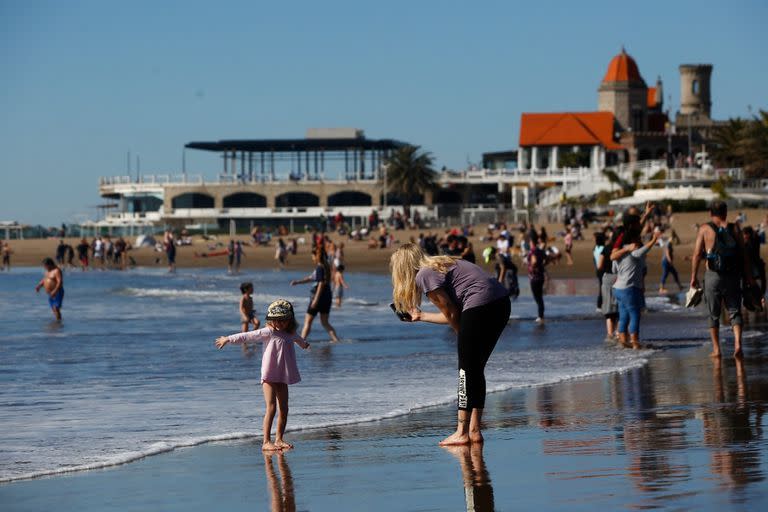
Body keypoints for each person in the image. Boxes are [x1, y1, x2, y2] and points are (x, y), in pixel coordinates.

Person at [390, 243, 510, 446]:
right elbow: (454, 313)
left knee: (465, 369)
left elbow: (453, 314)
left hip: (481, 303)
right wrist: (421, 316)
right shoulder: (442, 264)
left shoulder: (424, 275)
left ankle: (462, 431)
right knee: (475, 368)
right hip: (500, 302)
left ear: (402, 267)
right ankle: (474, 430)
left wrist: (462, 338)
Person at [215, 299, 310, 451]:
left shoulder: (290, 333)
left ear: (289, 320)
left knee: (284, 409)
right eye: (276, 321)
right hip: (269, 375)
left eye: (283, 321)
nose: (280, 324)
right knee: (271, 407)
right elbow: (248, 336)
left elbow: (301, 341)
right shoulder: (268, 332)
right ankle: (266, 441)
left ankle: (279, 439)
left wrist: (305, 345)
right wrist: (228, 339)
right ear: (271, 320)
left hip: (283, 376)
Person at [691, 201, 753, 358]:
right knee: (734, 310)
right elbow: (744, 255)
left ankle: (717, 349)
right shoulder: (735, 228)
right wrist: (748, 277)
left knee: (713, 314)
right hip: (733, 275)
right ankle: (738, 344)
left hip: (713, 276)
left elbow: (697, 254)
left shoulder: (704, 229)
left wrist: (693, 277)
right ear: (725, 212)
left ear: (711, 213)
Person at [611, 226, 659, 349]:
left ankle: (623, 341)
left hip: (617, 289)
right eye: (638, 238)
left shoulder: (618, 254)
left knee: (623, 315)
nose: (639, 240)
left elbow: (614, 269)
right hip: (628, 289)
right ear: (633, 240)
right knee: (635, 314)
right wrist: (653, 240)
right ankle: (634, 342)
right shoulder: (634, 252)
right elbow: (644, 250)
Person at [290, 249, 340, 342]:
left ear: (316, 256)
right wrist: (298, 282)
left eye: (312, 256)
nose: (312, 258)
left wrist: (316, 299)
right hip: (327, 297)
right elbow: (311, 278)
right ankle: (336, 340)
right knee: (325, 322)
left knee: (308, 321)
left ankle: (301, 341)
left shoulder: (320, 267)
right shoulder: (326, 267)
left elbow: (320, 283)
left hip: (318, 297)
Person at [528, 233, 548, 324]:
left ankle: (540, 316)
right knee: (539, 297)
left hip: (535, 277)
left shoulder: (533, 251)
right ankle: (541, 315)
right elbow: (546, 259)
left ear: (532, 242)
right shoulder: (540, 250)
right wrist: (542, 266)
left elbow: (534, 261)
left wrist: (532, 266)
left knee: (537, 297)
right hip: (540, 276)